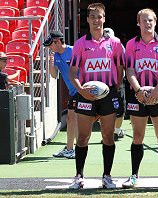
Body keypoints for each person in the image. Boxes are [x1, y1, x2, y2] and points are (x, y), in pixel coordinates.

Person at [68, 3, 124, 189]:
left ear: (104, 19)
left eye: (99, 17)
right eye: (92, 17)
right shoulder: (80, 44)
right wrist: (81, 91)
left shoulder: (115, 44)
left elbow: (120, 68)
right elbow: (73, 72)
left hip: (108, 95)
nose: (96, 20)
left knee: (108, 137)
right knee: (83, 137)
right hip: (86, 95)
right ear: (87, 20)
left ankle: (107, 176)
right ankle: (79, 176)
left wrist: (114, 89)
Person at [122, 8, 158, 189]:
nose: (147, 23)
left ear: (155, 22)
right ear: (138, 23)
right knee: (137, 136)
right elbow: (129, 70)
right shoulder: (131, 44)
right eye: (144, 20)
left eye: (150, 20)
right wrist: (138, 90)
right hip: (138, 96)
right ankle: (133, 176)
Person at [43, 31, 77, 159]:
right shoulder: (55, 56)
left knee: (74, 119)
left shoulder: (74, 50)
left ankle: (73, 149)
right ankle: (71, 148)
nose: (49, 48)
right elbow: (54, 75)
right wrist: (51, 64)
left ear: (57, 41)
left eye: (50, 45)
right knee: (71, 119)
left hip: (81, 89)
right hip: (73, 91)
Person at [103, 27, 126, 140]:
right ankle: (107, 132)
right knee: (103, 108)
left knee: (120, 107)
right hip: (103, 82)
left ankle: (116, 131)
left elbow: (124, 63)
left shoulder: (118, 45)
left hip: (118, 81)